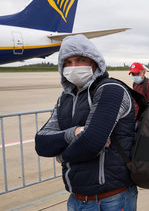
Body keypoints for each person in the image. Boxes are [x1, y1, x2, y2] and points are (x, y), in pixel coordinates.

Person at [35, 35, 137, 210]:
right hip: (76, 199)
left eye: (81, 60)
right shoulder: (64, 99)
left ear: (95, 62)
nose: (74, 67)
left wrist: (61, 156)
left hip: (111, 199)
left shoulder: (111, 90)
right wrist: (74, 133)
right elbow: (41, 143)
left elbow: (91, 142)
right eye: (68, 62)